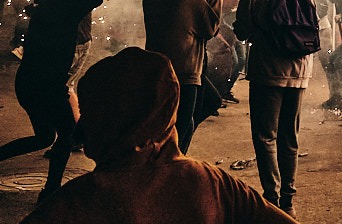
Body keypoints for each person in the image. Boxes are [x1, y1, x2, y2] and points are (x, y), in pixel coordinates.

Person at [22, 47, 297, 224]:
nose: (81, 125)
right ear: (166, 111)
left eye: (88, 111)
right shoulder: (212, 183)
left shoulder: (74, 204)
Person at [0, 0, 104, 203]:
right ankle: (51, 190)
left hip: (30, 83)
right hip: (46, 85)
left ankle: (49, 188)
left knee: (44, 137)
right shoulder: (67, 16)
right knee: (64, 135)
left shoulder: (47, 10)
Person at [233, 0, 316, 216]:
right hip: (300, 68)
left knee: (265, 135)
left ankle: (271, 198)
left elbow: (243, 26)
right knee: (289, 136)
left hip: (268, 68)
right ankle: (288, 201)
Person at [143, 0, 224, 154]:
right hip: (186, 69)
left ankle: (170, 160)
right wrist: (216, 0)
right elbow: (209, 29)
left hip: (157, 67)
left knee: (166, 120)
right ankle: (173, 165)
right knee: (182, 123)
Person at [34, 0, 108, 115]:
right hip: (84, 38)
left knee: (61, 89)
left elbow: (44, 9)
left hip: (64, 41)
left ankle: (72, 137)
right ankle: (71, 136)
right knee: (67, 86)